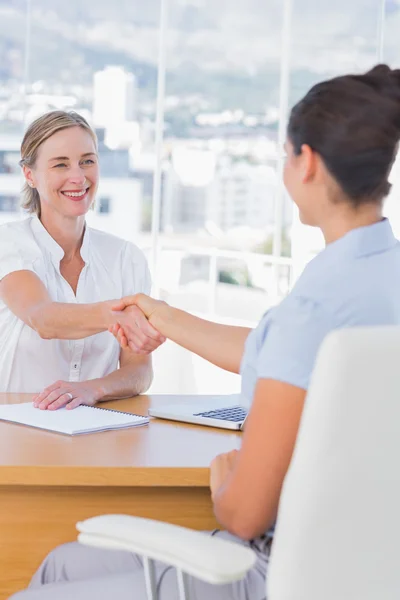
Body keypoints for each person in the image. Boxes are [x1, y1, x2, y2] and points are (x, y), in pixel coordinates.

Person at [10, 64, 400, 600]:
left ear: (305, 163)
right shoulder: (372, 277)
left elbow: (243, 513)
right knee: (60, 566)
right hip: (371, 563)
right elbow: (271, 348)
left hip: (279, 567)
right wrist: (160, 315)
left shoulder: (314, 304)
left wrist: (225, 483)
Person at [0, 110, 164, 409]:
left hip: (94, 429)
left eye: (87, 161)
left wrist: (92, 389)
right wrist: (118, 317)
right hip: (14, 430)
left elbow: (139, 370)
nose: (78, 177)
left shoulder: (126, 258)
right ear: (30, 175)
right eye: (60, 164)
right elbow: (43, 318)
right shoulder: (9, 244)